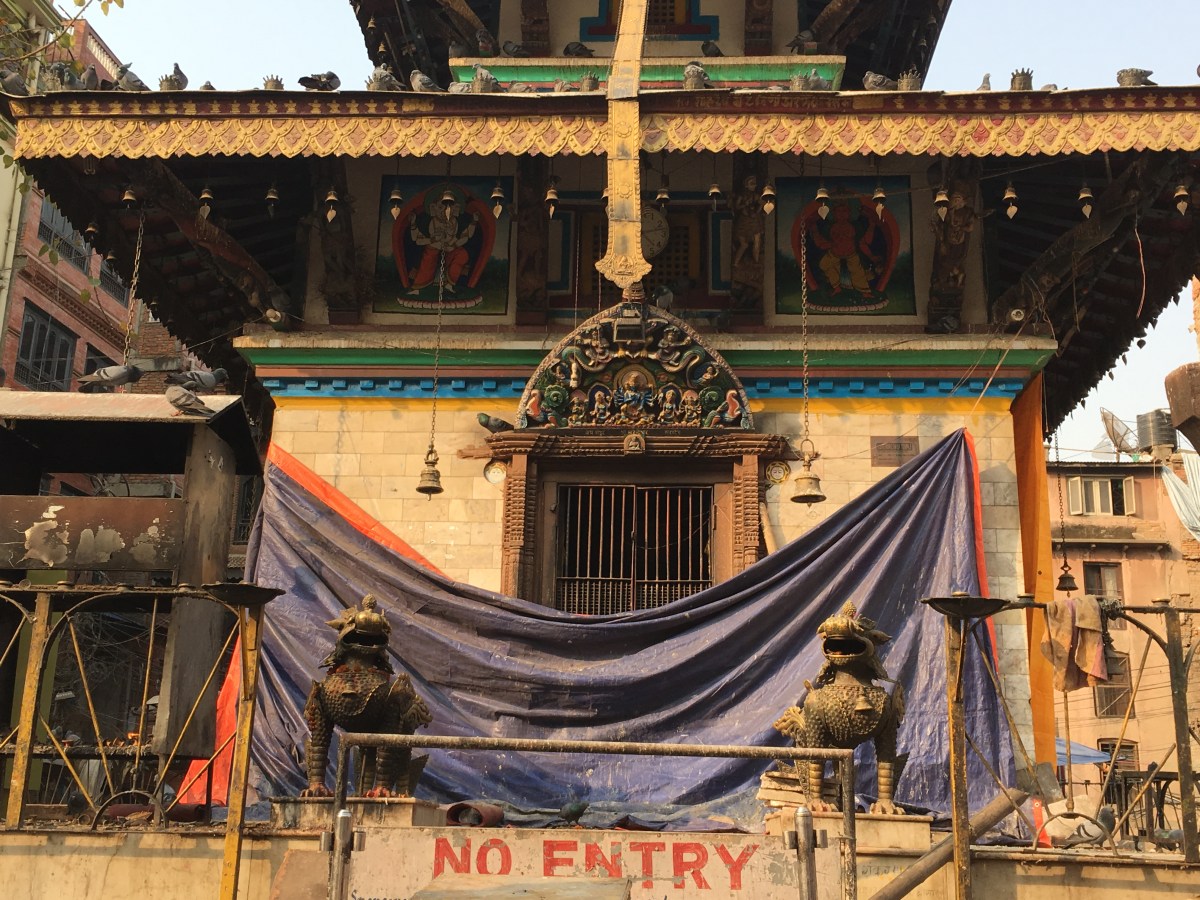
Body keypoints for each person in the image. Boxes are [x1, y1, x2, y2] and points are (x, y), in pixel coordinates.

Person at [407, 191, 479, 294]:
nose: (445, 211)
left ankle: (449, 284)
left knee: (463, 254)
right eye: (441, 207)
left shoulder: (454, 222)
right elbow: (417, 239)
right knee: (429, 256)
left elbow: (466, 236)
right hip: (434, 247)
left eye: (449, 208)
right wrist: (413, 223)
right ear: (433, 208)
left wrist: (474, 221)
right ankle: (417, 288)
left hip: (450, 248)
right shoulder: (430, 222)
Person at [812, 202, 877, 297]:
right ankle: (836, 287)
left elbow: (864, 242)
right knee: (824, 264)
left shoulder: (855, 226)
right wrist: (814, 230)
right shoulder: (829, 227)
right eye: (838, 211)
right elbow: (821, 243)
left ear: (849, 213)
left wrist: (872, 226)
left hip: (851, 254)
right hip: (834, 253)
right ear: (834, 213)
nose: (841, 214)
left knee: (857, 271)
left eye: (844, 211)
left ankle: (865, 292)